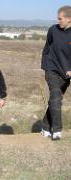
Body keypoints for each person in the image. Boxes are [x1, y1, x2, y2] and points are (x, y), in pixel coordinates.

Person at [41, 6, 71, 140]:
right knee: (56, 97)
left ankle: (45, 127)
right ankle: (57, 130)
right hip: (51, 69)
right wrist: (46, 66)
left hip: (66, 74)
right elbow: (47, 47)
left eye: (60, 18)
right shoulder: (53, 30)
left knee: (55, 100)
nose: (58, 20)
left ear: (69, 19)